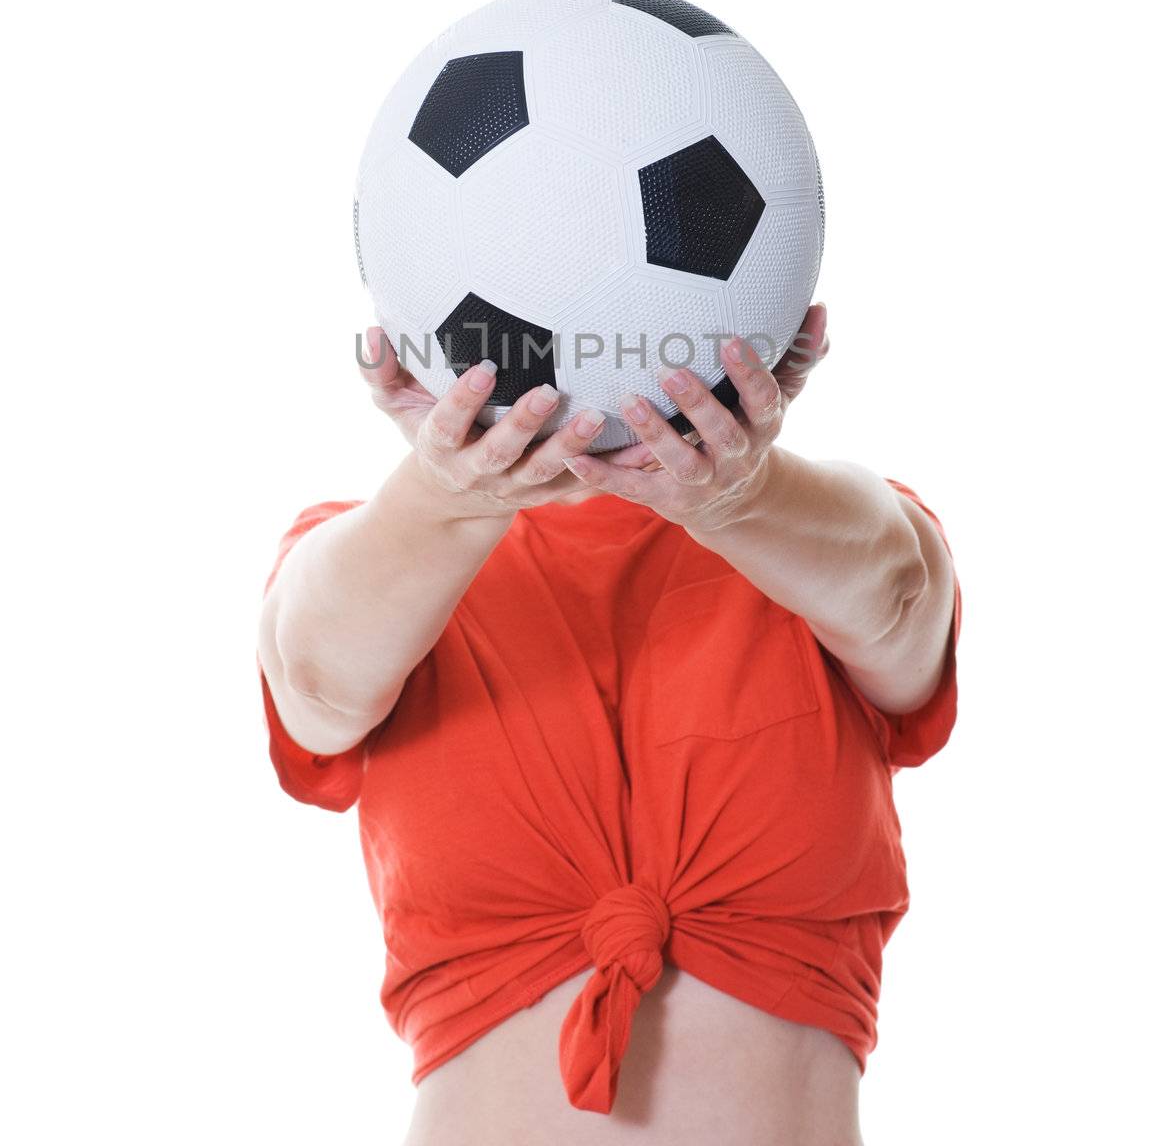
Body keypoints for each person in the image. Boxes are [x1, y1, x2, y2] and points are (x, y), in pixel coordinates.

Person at [257, 303, 960, 1146]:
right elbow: (315, 684)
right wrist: (444, 498)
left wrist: (749, 495)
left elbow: (901, 600)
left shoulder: (832, 539)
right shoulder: (365, 556)